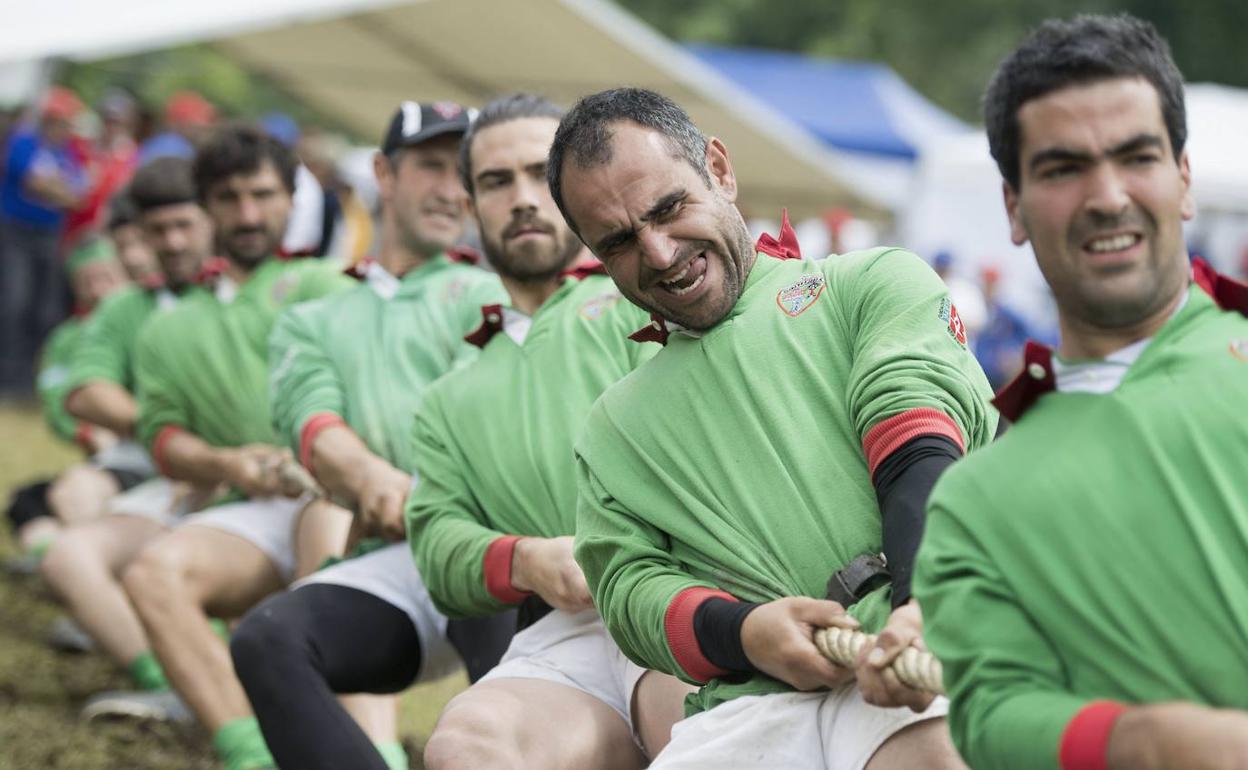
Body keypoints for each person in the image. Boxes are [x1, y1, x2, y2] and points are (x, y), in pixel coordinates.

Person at [550, 88, 997, 770]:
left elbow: (916, 436)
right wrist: (746, 634)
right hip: (746, 709)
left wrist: (919, 610)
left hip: (933, 638)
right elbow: (630, 590)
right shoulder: (612, 427)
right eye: (618, 241)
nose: (662, 252)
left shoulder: (871, 282)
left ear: (720, 171)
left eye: (669, 208)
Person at [913, 14, 1248, 770]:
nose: (1107, 196)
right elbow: (992, 713)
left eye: (1136, 157)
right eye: (1064, 168)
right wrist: (1149, 741)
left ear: (1183, 179)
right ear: (1013, 208)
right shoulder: (973, 503)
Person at [406, 93, 690, 770]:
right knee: (465, 748)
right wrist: (529, 559)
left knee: (695, 733)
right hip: (575, 628)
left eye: (542, 176)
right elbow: (437, 546)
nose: (524, 198)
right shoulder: (450, 393)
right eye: (497, 182)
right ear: (470, 206)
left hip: (697, 587)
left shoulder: (659, 292)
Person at [229, 100, 512, 770]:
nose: (452, 189)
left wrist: (414, 494)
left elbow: (487, 421)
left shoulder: (494, 290)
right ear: (383, 173)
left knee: (488, 582)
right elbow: (314, 423)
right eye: (432, 167)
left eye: (466, 172)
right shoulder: (315, 318)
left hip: (488, 546)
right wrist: (371, 478)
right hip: (398, 553)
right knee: (266, 639)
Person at [118, 124, 352, 770]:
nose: (247, 214)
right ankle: (256, 753)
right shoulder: (170, 328)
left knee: (326, 524)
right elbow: (161, 437)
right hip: (250, 508)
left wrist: (316, 456)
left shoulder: (328, 285)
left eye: (262, 194)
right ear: (206, 205)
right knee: (150, 572)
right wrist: (227, 463)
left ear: (291, 199)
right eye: (229, 198)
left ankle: (351, 742)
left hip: (345, 502)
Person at [40, 156, 215, 708]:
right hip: (156, 462)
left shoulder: (253, 292)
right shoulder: (126, 307)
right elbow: (83, 390)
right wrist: (169, 433)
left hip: (247, 477)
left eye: (184, 224)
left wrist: (211, 453)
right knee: (66, 535)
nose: (170, 242)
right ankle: (171, 681)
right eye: (156, 230)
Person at [0, 86, 88, 395]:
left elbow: (78, 197)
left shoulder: (70, 152)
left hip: (49, 236)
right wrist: (58, 190)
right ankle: (7, 376)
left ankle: (26, 376)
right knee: (14, 303)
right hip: (16, 232)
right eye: (58, 120)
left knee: (44, 308)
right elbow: (35, 183)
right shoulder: (24, 142)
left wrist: (54, 189)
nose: (62, 127)